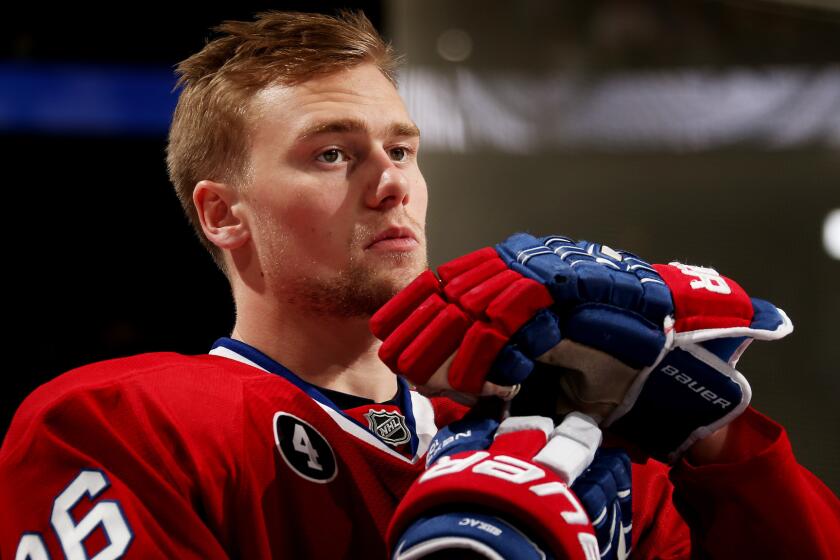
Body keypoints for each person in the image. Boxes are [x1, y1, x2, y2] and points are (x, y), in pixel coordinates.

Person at [0, 10, 837, 560]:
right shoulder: (121, 426)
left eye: (401, 150)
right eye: (333, 153)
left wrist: (720, 447)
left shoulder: (561, 440)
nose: (391, 182)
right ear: (223, 214)